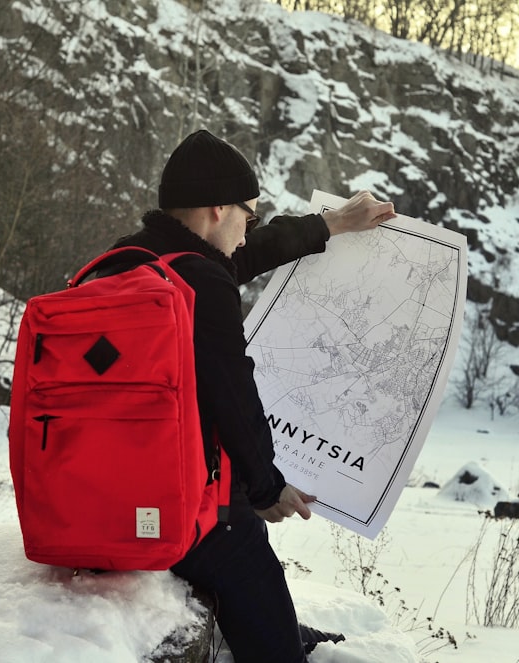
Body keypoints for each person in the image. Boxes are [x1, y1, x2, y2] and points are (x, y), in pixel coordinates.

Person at [113, 129, 394, 662]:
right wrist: (266, 488)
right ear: (219, 209)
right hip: (167, 509)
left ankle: (280, 631)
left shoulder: (126, 261)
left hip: (104, 491)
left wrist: (331, 224)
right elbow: (234, 396)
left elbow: (240, 258)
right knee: (241, 539)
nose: (249, 233)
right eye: (249, 215)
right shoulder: (201, 282)